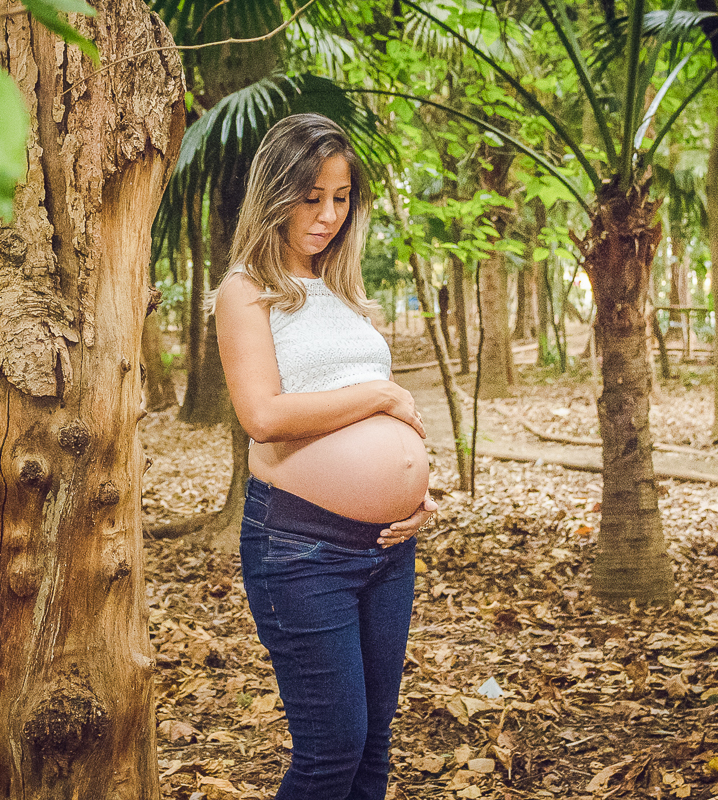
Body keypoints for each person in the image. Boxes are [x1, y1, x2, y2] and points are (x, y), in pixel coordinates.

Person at [213, 113, 438, 800]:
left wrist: (414, 490)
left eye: (340, 198)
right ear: (276, 192)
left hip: (389, 548)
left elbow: (374, 411)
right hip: (302, 550)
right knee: (331, 748)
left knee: (373, 745)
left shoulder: (347, 295)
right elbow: (264, 416)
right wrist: (380, 397)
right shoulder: (245, 289)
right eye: (311, 196)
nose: (327, 214)